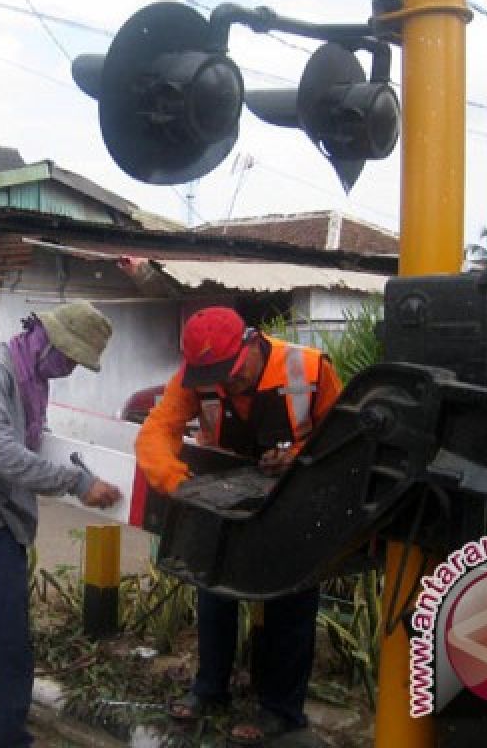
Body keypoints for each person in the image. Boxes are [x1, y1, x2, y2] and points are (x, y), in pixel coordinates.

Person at [135, 306, 342, 746]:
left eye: (232, 371)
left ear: (251, 342)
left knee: (290, 604)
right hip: (223, 500)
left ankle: (280, 710)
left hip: (293, 501)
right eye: (215, 375)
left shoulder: (308, 367)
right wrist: (176, 483)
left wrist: (297, 455)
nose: (227, 382)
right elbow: (157, 431)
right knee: (213, 592)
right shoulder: (195, 377)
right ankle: (210, 690)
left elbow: (342, 436)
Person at [0, 302, 124, 748]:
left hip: (3, 526)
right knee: (7, 647)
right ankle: (6, 739)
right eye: (72, 358)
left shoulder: (30, 379)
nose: (71, 369)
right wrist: (77, 482)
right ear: (50, 342)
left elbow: (29, 446)